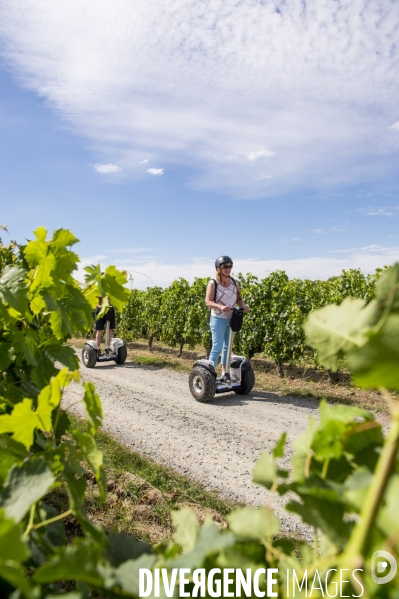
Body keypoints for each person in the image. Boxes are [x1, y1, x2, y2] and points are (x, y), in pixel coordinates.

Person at [205, 256, 249, 381]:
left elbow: (239, 299)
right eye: (225, 266)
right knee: (217, 346)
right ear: (219, 269)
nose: (228, 269)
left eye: (230, 266)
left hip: (232, 318)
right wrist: (220, 306)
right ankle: (210, 372)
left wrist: (243, 306)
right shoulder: (213, 283)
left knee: (228, 347)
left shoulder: (234, 283)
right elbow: (208, 302)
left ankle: (225, 372)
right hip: (218, 319)